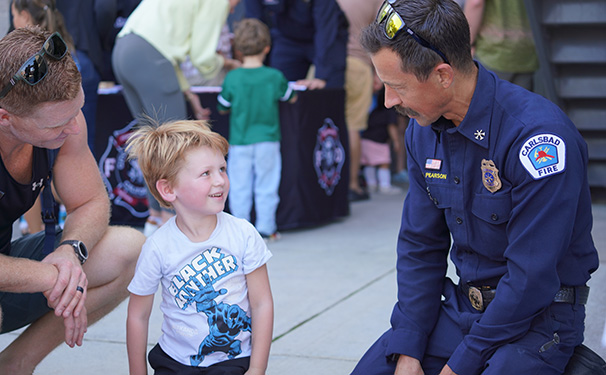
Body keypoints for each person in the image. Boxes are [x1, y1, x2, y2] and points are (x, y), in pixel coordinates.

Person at [351, 1, 599, 375]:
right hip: (464, 310)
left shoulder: (537, 139)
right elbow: (420, 246)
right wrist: (409, 345)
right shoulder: (422, 133)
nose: (389, 101)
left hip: (539, 320)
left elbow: (531, 276)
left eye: (396, 86)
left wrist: (460, 365)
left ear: (443, 75)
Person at [0, 26, 144, 374]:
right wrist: (51, 278)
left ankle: (15, 364)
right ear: (5, 118)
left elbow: (91, 201)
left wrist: (70, 252)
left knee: (129, 250)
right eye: (57, 125)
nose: (74, 129)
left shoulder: (65, 121)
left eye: (75, 112)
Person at [125, 119, 274, 375]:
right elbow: (138, 316)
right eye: (206, 173)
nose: (220, 181)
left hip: (232, 361)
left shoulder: (243, 234)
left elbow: (262, 304)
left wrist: (257, 368)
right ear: (168, 189)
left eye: (222, 169)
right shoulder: (158, 247)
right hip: (175, 362)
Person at [112, 0, 242, 234]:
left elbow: (169, 48)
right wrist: (227, 64)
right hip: (150, 58)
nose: (233, 9)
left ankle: (155, 219)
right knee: (173, 149)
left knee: (151, 145)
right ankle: (172, 227)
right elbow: (203, 59)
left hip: (124, 49)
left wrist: (187, 92)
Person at [217, 18, 296, 241]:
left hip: (240, 140)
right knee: (267, 185)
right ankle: (267, 227)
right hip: (268, 139)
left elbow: (222, 107)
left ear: (238, 49)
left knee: (240, 186)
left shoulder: (233, 77)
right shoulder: (275, 76)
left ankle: (241, 232)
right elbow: (291, 96)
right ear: (267, 48)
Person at [10, 0, 76, 236]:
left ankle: (40, 231)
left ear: (25, 16)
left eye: (14, 16)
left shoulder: (20, 60)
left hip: (42, 137)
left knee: (39, 179)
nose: (13, 22)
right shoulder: (61, 47)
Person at [334, 0, 383, 202]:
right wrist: (378, 72)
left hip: (328, 65)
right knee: (353, 126)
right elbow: (382, 34)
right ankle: (352, 184)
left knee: (325, 125)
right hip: (359, 64)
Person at [244, 0, 348, 90]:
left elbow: (325, 29)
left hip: (327, 34)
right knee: (277, 86)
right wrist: (254, 65)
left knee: (328, 87)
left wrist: (323, 76)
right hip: (286, 35)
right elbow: (255, 22)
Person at [464, 0, 539, 92]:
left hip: (491, 53)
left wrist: (467, 44)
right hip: (526, 54)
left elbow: (476, 3)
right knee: (520, 104)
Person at [360, 83, 402, 195]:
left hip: (365, 140)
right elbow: (391, 127)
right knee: (384, 163)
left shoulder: (373, 112)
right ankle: (385, 185)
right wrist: (396, 141)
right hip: (379, 142)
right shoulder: (390, 113)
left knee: (369, 163)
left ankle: (371, 184)